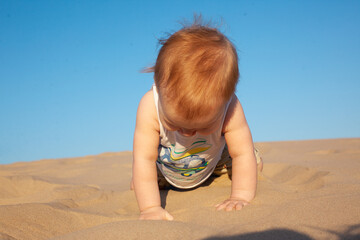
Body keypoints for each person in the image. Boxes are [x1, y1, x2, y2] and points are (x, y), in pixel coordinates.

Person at [131, 17, 262, 221]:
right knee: (143, 174)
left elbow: (241, 153)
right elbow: (143, 158)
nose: (186, 133)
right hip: (166, 166)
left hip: (215, 159)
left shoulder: (230, 108)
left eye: (203, 126)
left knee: (250, 161)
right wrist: (149, 208)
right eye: (174, 124)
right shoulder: (149, 106)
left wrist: (240, 195)